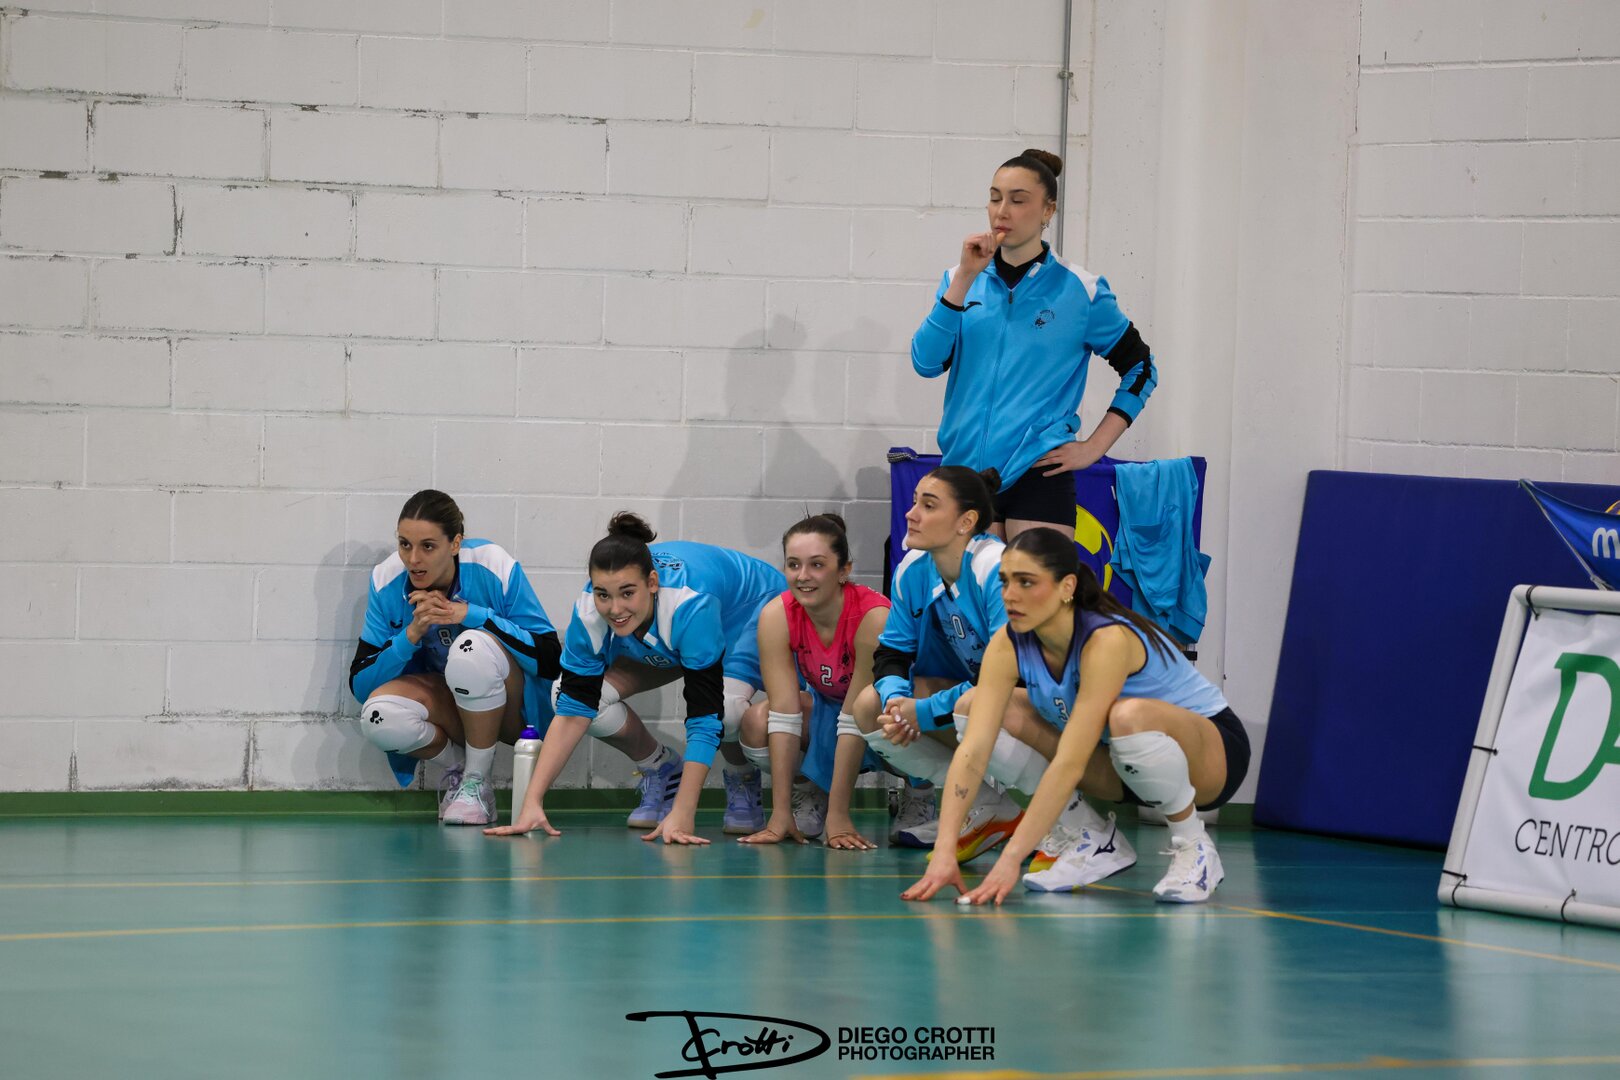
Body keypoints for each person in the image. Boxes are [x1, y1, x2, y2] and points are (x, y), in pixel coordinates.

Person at [900, 528, 1250, 905]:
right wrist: (946, 850)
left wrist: (1012, 858)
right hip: (1120, 761)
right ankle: (1090, 836)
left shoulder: (1105, 640)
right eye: (1005, 581)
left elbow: (1070, 762)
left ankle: (1194, 847)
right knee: (971, 707)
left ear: (1067, 587)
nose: (1010, 595)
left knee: (1128, 716)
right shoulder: (1009, 642)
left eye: (1026, 582)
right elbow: (973, 751)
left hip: (1211, 759)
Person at [487, 513, 785, 845]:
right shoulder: (590, 611)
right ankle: (661, 767)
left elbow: (705, 714)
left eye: (627, 593)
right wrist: (532, 802)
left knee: (725, 711)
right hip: (675, 631)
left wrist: (684, 812)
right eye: (603, 594)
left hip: (747, 612)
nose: (615, 608)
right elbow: (573, 710)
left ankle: (742, 777)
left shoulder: (690, 604)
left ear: (652, 582)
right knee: (565, 694)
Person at [910, 149, 1159, 541]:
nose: (1001, 211)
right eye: (995, 198)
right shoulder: (959, 278)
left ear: (1048, 211)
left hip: (1039, 473)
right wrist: (963, 280)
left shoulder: (1081, 290)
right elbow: (925, 363)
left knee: (1034, 583)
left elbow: (1142, 369)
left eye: (1018, 200)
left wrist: (1094, 448)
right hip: (964, 473)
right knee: (972, 584)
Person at [349, 490, 560, 826]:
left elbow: (550, 657)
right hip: (450, 707)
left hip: (513, 711)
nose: (413, 559)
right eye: (404, 544)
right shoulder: (386, 580)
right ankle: (465, 774)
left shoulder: (492, 563)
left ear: (455, 543)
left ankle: (477, 780)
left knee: (470, 646)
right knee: (378, 716)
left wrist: (473, 615)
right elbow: (362, 687)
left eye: (427, 546)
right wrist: (411, 635)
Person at [848, 466, 1023, 861]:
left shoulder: (997, 568)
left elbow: (1012, 676)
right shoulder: (912, 568)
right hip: (976, 692)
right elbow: (892, 652)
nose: (911, 514)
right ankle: (987, 806)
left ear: (966, 522)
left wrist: (923, 712)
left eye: (928, 506)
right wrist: (897, 703)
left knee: (969, 704)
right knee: (870, 705)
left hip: (1043, 697)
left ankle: (1070, 820)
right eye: (914, 502)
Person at [736, 514, 890, 849]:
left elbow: (854, 718)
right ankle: (807, 793)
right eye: (793, 564)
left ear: (844, 570)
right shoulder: (777, 614)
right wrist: (780, 814)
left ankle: (920, 795)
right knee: (756, 720)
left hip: (883, 717)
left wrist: (839, 817)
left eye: (817, 565)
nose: (802, 576)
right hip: (829, 712)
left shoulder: (873, 617)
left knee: (883, 710)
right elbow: (784, 715)